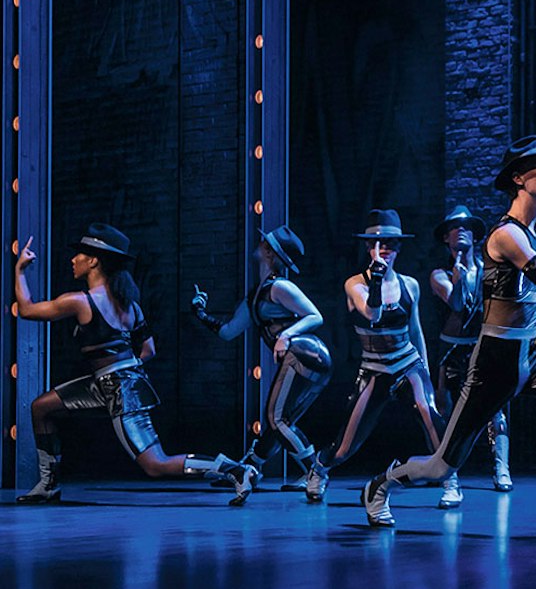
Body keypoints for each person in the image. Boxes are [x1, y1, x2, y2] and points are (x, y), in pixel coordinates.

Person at [359, 135, 536, 540]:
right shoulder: (506, 236)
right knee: (444, 465)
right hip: (495, 362)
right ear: (517, 177)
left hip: (531, 357)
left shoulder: (533, 236)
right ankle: (381, 484)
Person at [13, 223, 258, 505]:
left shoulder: (80, 301)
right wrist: (124, 373)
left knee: (155, 464)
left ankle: (234, 469)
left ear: (93, 261)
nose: (73, 259)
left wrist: (20, 270)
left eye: (79, 254)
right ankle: (49, 485)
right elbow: (149, 350)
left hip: (119, 388)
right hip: (111, 384)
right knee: (41, 407)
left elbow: (28, 310)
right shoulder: (130, 305)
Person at [303, 209, 453, 507]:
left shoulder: (410, 285)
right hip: (374, 369)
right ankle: (320, 466)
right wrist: (376, 279)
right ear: (368, 247)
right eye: (379, 242)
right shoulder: (354, 284)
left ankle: (450, 479)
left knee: (428, 412)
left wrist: (426, 372)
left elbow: (416, 330)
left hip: (408, 363)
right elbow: (372, 314)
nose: (386, 249)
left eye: (392, 243)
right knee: (345, 446)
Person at [191, 224, 331, 492]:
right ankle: (250, 470)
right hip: (308, 359)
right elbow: (229, 332)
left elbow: (315, 315)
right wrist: (201, 313)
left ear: (269, 252)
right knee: (278, 421)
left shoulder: (281, 287)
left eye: (263, 243)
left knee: (276, 417)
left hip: (306, 353)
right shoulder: (257, 295)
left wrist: (285, 336)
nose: (258, 244)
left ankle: (316, 472)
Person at [431, 205, 514, 494]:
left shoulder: (489, 271)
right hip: (452, 352)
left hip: (484, 348)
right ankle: (450, 479)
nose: (461, 230)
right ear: (446, 238)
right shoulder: (440, 274)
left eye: (466, 226)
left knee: (497, 411)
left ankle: (501, 468)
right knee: (450, 415)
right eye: (454, 226)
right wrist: (458, 272)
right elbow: (455, 304)